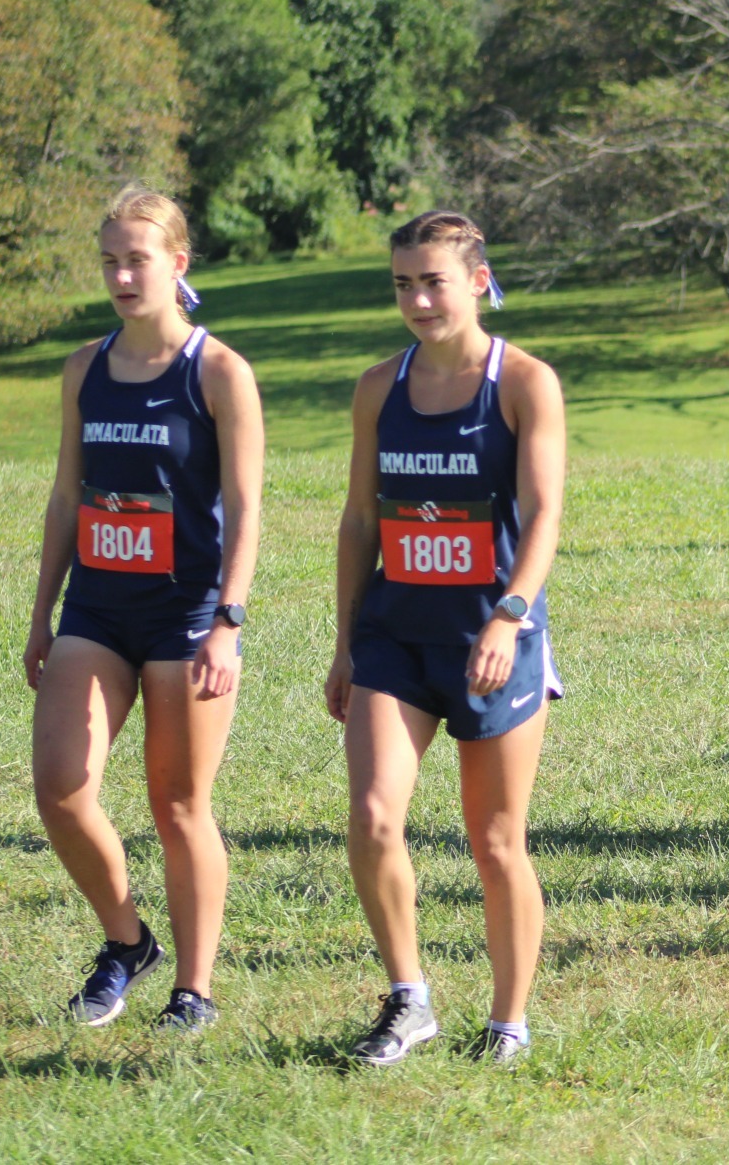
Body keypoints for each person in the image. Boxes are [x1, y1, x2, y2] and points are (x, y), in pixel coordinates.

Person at [326, 211, 565, 1067]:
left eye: (432, 281)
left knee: (496, 839)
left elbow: (542, 515)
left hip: (490, 640)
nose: (418, 299)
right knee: (373, 815)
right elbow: (359, 520)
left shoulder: (523, 382)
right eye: (402, 284)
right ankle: (409, 997)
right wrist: (347, 640)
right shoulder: (377, 386)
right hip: (395, 636)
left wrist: (510, 613)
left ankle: (508, 1020)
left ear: (476, 279)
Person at [25, 185, 265, 1030]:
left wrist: (228, 621)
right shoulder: (86, 368)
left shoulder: (220, 372)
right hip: (96, 607)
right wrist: (41, 612)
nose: (123, 276)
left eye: (138, 259)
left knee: (178, 805)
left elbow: (245, 507)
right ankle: (126, 941)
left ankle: (193, 990)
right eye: (110, 262)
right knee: (61, 787)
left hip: (186, 615)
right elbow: (65, 497)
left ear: (177, 262)